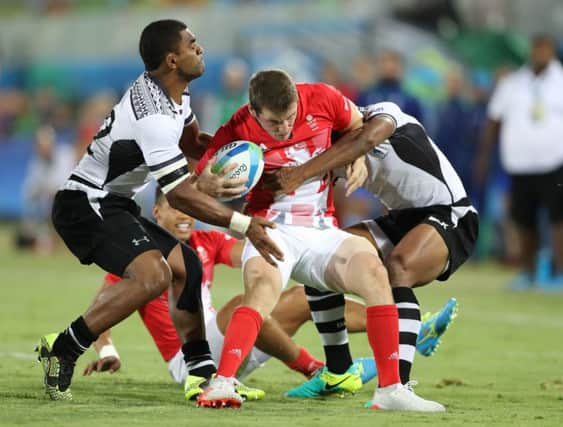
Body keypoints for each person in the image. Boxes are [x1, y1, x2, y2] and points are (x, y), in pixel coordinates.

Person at [36, 19, 283, 402]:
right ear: (172, 59)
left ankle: (201, 375)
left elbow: (194, 143)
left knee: (188, 265)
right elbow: (180, 194)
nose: (199, 49)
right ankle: (65, 347)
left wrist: (246, 164)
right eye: (192, 44)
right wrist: (242, 223)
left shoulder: (176, 97)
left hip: (113, 202)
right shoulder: (152, 116)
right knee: (153, 275)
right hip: (83, 203)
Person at [192, 69, 444, 411]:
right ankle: (222, 384)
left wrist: (357, 156)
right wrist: (209, 186)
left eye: (290, 117)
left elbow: (359, 125)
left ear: (297, 98)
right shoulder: (235, 129)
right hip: (271, 229)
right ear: (254, 111)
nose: (284, 128)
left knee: (374, 272)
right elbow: (200, 183)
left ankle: (390, 390)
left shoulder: (323, 97)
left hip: (322, 229)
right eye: (274, 123)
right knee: (262, 292)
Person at [84, 188, 455, 393]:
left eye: (189, 209)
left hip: (229, 343)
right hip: (189, 364)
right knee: (240, 306)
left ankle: (412, 330)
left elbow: (258, 255)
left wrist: (293, 251)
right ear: (157, 214)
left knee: (299, 294)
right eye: (175, 209)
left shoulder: (205, 241)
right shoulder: (145, 258)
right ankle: (313, 368)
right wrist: (109, 350)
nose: (184, 216)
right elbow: (105, 307)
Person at [265, 100, 476, 392]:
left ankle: (399, 386)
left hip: (450, 213)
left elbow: (367, 138)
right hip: (400, 219)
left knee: (399, 268)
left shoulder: (382, 113)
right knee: (322, 255)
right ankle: (339, 371)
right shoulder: (323, 150)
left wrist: (301, 173)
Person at [475, 34, 563, 290]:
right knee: (524, 221)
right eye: (537, 48)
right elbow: (493, 120)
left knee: (558, 220)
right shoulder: (513, 83)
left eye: (545, 48)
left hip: (554, 163)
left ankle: (559, 273)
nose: (540, 53)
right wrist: (483, 156)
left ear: (552, 51)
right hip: (520, 165)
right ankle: (528, 272)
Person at [357, 50, 424, 124]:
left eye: (393, 62)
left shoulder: (410, 100)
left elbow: (418, 129)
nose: (388, 66)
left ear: (399, 66)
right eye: (384, 61)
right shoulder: (365, 96)